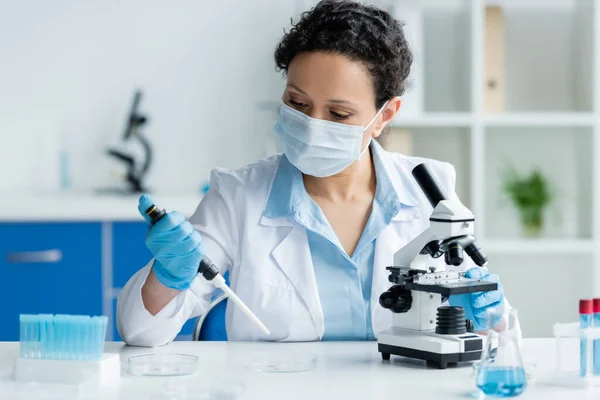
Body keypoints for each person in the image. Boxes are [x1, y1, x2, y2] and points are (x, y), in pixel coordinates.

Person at [117, 0, 520, 347]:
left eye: (339, 113)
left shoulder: (429, 190)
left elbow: (499, 339)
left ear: (385, 116)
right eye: (297, 102)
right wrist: (167, 276)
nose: (312, 124)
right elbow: (140, 333)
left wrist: (492, 317)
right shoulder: (238, 195)